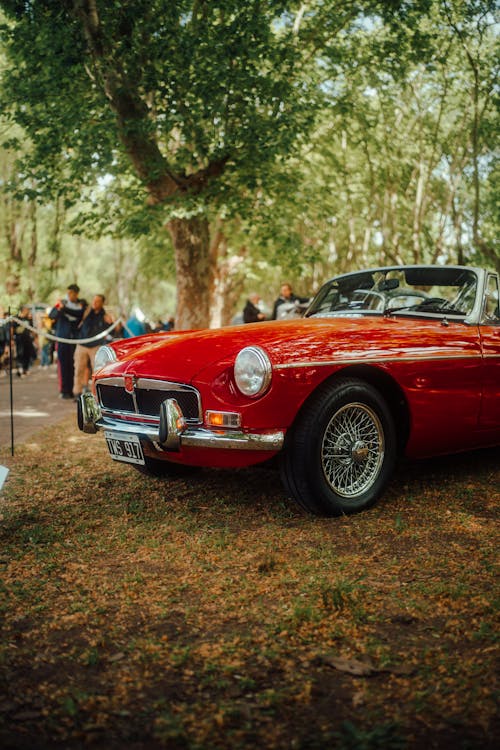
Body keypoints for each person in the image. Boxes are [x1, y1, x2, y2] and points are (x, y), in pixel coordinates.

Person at [73, 294, 113, 399]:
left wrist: (110, 323)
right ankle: (77, 392)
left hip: (96, 346)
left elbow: (112, 332)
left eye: (98, 301)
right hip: (82, 344)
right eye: (94, 300)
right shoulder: (86, 311)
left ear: (102, 303)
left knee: (97, 371)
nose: (95, 303)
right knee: (78, 369)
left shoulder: (104, 316)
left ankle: (96, 394)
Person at [49, 284, 85, 399]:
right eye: (68, 293)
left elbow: (80, 314)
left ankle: (76, 390)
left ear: (76, 294)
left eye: (72, 293)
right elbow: (52, 315)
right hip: (62, 338)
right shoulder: (62, 302)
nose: (69, 296)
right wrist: (60, 308)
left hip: (75, 338)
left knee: (75, 365)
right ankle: (65, 390)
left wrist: (64, 309)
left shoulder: (82, 304)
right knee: (64, 365)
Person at [14, 306, 36, 377]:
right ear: (23, 310)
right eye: (27, 310)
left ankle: (25, 369)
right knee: (20, 355)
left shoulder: (29, 319)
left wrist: (34, 338)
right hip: (19, 340)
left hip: (27, 340)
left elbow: (32, 329)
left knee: (27, 355)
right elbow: (12, 329)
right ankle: (19, 370)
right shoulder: (17, 318)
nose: (28, 312)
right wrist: (11, 339)